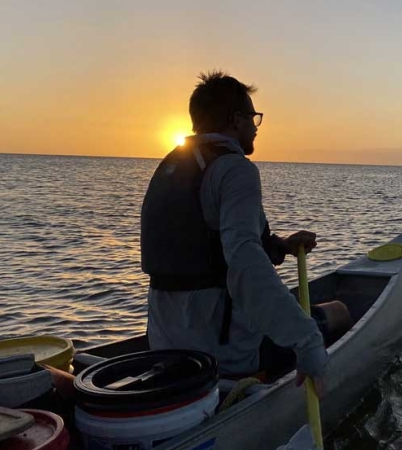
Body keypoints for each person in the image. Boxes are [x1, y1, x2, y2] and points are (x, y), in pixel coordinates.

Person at [140, 71, 346, 394]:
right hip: (222, 359)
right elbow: (244, 266)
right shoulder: (237, 171)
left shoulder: (172, 167)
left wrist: (278, 246)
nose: (255, 126)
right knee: (339, 313)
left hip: (166, 347)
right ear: (236, 120)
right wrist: (307, 341)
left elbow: (209, 246)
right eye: (253, 117)